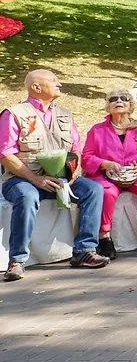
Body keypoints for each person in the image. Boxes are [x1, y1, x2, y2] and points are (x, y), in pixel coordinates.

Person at [2, 70, 110, 281]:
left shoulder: (64, 114)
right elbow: (5, 154)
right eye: (53, 80)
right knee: (27, 197)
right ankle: (17, 260)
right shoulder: (14, 113)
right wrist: (34, 179)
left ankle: (84, 251)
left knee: (93, 189)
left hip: (61, 179)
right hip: (22, 179)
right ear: (36, 87)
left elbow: (76, 148)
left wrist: (72, 173)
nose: (59, 82)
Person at [81, 89, 137, 258]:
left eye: (124, 98)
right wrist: (104, 164)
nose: (119, 101)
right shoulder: (97, 131)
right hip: (106, 175)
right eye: (113, 99)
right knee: (106, 192)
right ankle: (104, 238)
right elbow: (86, 158)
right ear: (108, 106)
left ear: (130, 105)